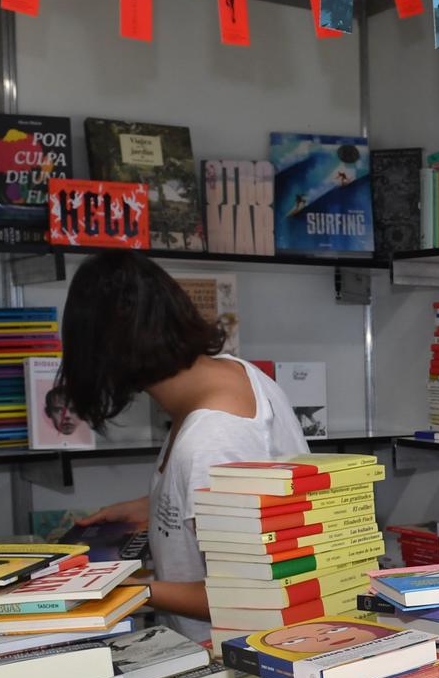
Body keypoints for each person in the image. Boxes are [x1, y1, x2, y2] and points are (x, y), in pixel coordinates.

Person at [58, 251, 309, 642]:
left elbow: (247, 594)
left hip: (240, 657)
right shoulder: (233, 375)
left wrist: (121, 592)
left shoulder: (212, 437)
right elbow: (231, 506)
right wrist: (150, 508)